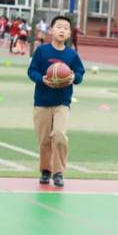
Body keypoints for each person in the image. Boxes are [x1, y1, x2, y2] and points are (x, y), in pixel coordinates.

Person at [27, 15, 85, 188]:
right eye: (59, 27)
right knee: (44, 140)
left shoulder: (72, 55)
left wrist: (74, 77)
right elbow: (32, 71)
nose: (62, 30)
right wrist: (42, 79)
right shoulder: (42, 51)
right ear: (51, 30)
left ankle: (58, 172)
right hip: (42, 102)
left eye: (66, 28)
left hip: (62, 103)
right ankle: (46, 170)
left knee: (59, 135)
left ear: (69, 33)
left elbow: (80, 73)